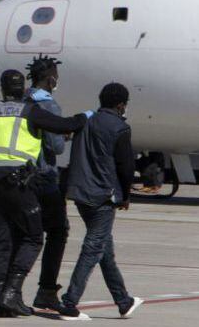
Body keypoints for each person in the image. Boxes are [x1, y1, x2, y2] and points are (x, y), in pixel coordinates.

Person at [0, 69, 89, 317]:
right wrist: (85, 117)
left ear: (2, 89)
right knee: (33, 237)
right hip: (17, 180)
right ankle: (11, 293)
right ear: (22, 88)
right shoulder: (30, 111)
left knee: (1, 241)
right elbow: (63, 127)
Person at [57, 83, 142, 321]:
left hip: (80, 192)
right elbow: (126, 166)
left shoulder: (86, 121)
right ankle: (69, 302)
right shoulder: (120, 128)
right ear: (120, 105)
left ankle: (123, 301)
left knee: (105, 248)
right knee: (93, 247)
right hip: (103, 195)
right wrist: (125, 195)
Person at [24, 55, 70, 310]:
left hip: (21, 176)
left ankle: (10, 289)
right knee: (58, 231)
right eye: (56, 75)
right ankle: (47, 289)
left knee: (23, 234)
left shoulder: (21, 100)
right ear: (50, 78)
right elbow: (56, 146)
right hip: (44, 176)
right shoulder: (49, 106)